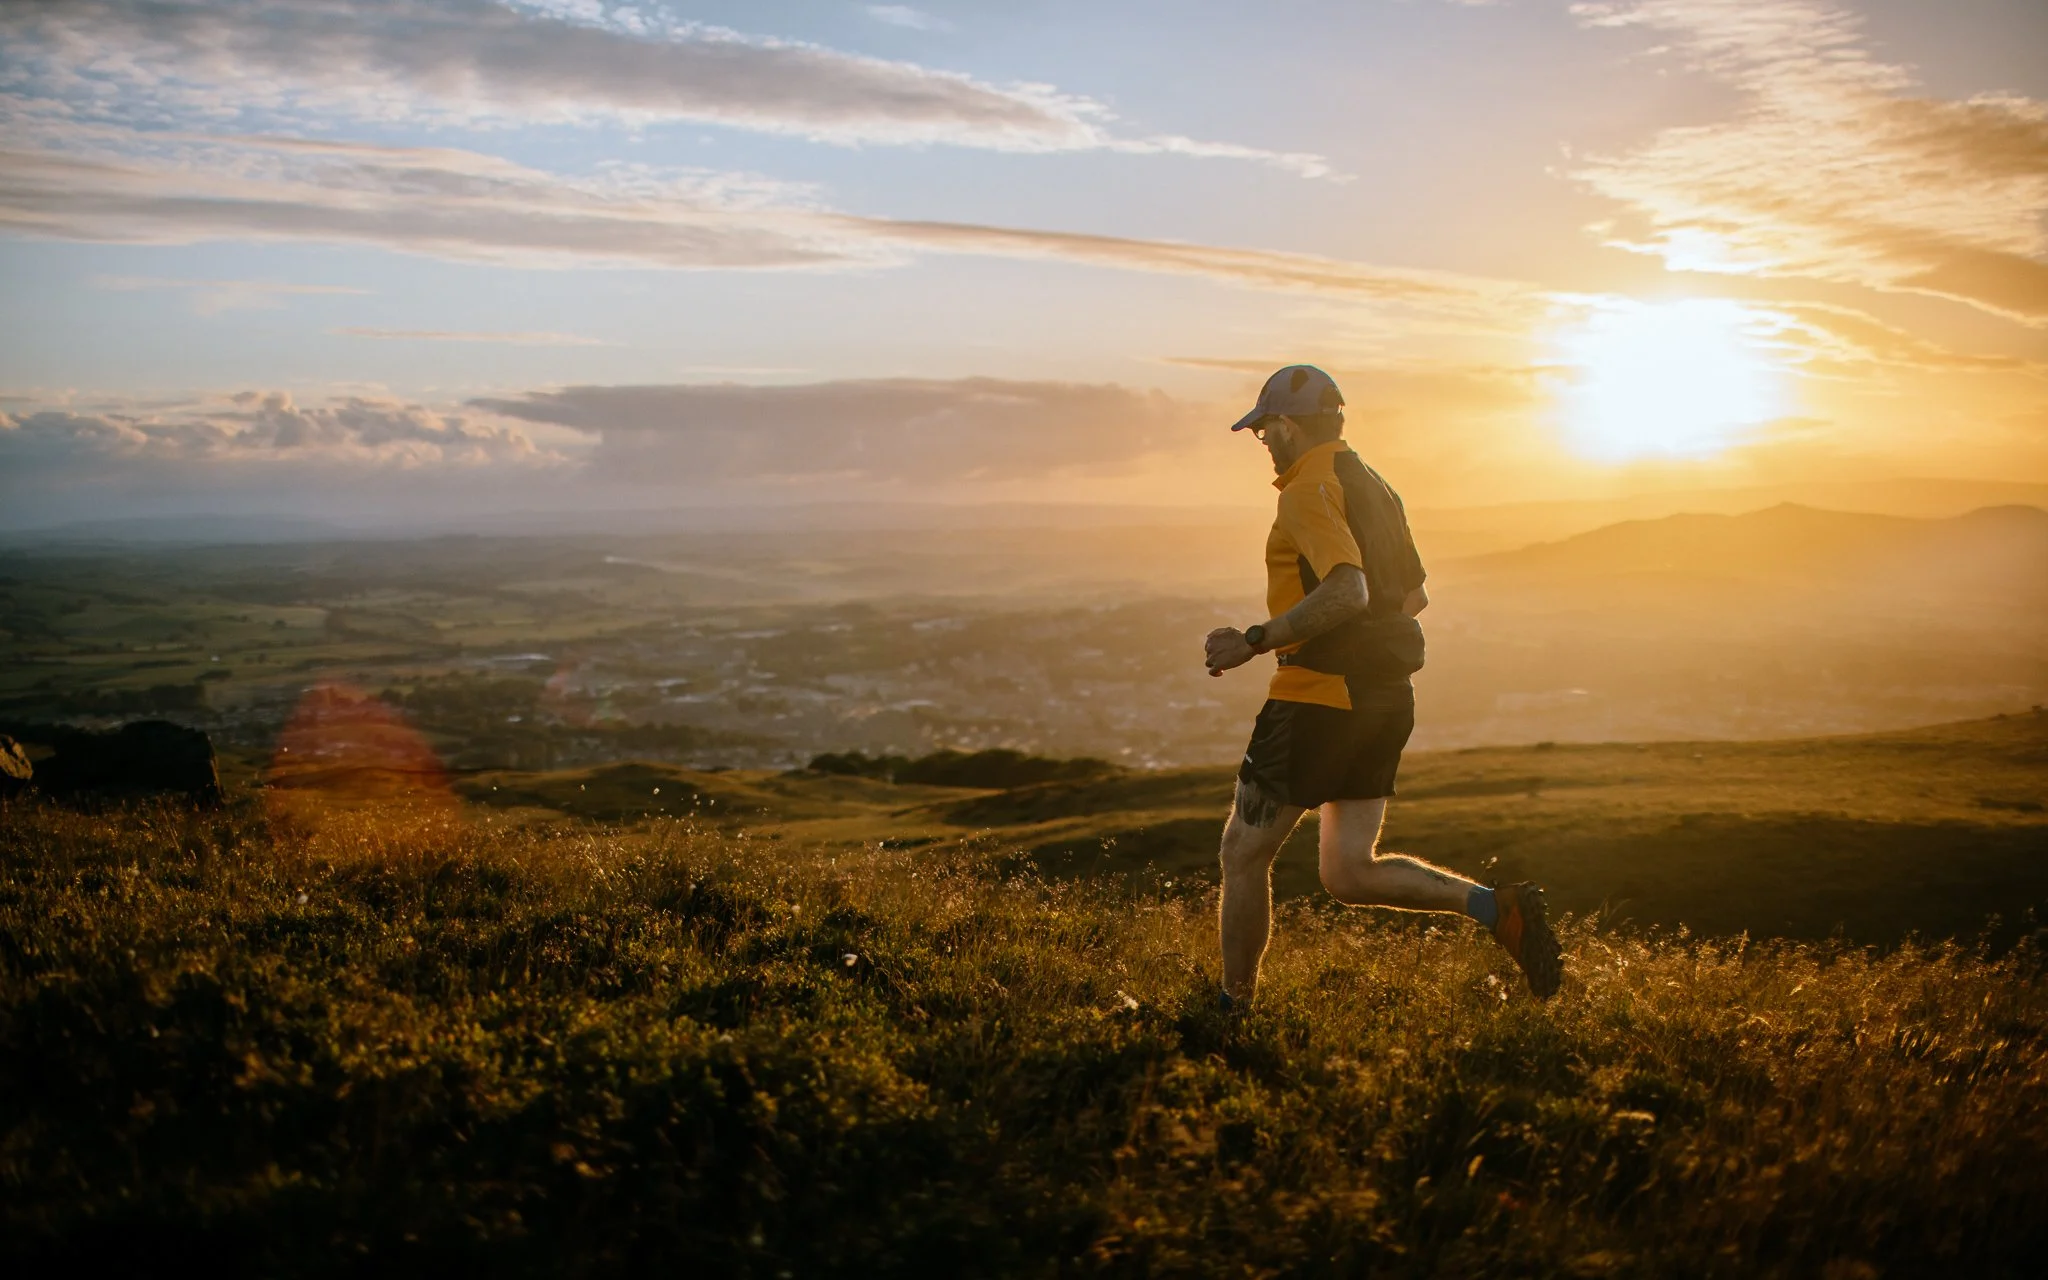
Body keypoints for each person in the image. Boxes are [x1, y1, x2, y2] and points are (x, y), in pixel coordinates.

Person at [1203, 365, 1562, 1005]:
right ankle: (1496, 908)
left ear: (1287, 424)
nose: (1262, 444)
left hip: (1317, 695)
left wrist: (1256, 639)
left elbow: (1349, 589)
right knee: (1348, 871)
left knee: (1241, 851)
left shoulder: (1308, 490)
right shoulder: (1375, 486)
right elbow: (1413, 596)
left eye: (1263, 431)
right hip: (1384, 697)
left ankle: (1231, 1010)